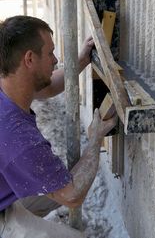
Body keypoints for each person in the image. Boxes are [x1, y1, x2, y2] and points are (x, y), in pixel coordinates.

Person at [0, 15, 117, 238]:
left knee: (54, 179)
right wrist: (94, 140)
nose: (55, 60)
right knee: (66, 192)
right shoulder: (16, 136)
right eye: (50, 53)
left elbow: (49, 86)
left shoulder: (9, 82)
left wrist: (82, 59)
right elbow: (72, 195)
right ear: (29, 59)